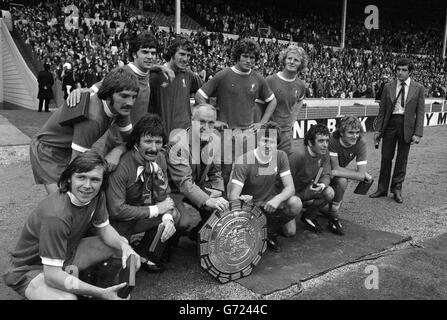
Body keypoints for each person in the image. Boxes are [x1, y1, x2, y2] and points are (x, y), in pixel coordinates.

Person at [3, 151, 141, 300]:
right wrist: (100, 293)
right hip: (31, 269)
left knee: (121, 246)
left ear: (102, 182)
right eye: (81, 177)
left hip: (65, 253)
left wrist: (126, 248)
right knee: (67, 299)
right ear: (69, 178)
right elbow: (52, 275)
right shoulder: (56, 215)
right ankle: (99, 292)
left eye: (95, 179)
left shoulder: (97, 196)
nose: (87, 186)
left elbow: (105, 229)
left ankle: (108, 289)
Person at [68, 32, 175, 170]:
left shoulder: (147, 71)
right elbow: (94, 91)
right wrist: (79, 91)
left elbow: (147, 67)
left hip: (133, 143)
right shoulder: (122, 74)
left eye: (153, 53)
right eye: (144, 52)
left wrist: (159, 67)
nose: (149, 57)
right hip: (116, 146)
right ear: (134, 54)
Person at [30, 67, 138, 195]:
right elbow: (79, 166)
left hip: (68, 147)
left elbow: (131, 139)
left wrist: (117, 150)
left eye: (133, 97)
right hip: (47, 149)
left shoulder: (121, 107)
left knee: (78, 196)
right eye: (124, 96)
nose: (130, 103)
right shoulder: (93, 118)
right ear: (109, 95)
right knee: (62, 200)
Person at [195, 38, 277, 186]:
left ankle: (243, 204)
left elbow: (272, 100)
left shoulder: (258, 78)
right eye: (245, 56)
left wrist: (262, 123)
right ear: (238, 56)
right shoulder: (224, 75)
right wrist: (213, 121)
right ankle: (224, 204)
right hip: (225, 133)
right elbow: (200, 95)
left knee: (246, 171)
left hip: (248, 134)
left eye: (252, 57)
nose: (248, 60)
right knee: (224, 173)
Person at [106, 114, 178, 272]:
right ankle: (123, 250)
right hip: (117, 222)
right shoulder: (122, 166)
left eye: (158, 142)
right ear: (137, 142)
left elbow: (164, 194)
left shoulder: (159, 159)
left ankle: (145, 253)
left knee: (173, 214)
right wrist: (156, 210)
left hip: (140, 213)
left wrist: (166, 218)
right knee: (115, 268)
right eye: (148, 141)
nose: (153, 148)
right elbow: (116, 210)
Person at [228, 122, 301, 253]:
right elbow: (232, 196)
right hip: (249, 207)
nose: (267, 145)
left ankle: (270, 231)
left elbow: (290, 188)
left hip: (269, 204)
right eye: (264, 140)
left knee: (295, 206)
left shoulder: (281, 156)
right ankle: (259, 230)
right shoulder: (244, 160)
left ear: (277, 144)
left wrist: (277, 199)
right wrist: (242, 200)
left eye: (272, 142)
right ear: (258, 141)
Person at [167, 104, 229, 241]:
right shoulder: (177, 143)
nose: (206, 127)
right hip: (174, 190)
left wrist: (217, 189)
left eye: (211, 123)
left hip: (196, 185)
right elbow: (184, 183)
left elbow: (216, 171)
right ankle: (168, 245)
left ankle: (197, 235)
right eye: (201, 121)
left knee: (220, 208)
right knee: (182, 221)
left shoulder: (216, 140)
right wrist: (207, 200)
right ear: (192, 120)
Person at [370, 58, 425, 203]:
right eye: (398, 69)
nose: (400, 72)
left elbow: (420, 113)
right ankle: (382, 189)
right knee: (386, 157)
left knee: (402, 159)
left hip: (407, 126)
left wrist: (418, 133)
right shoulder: (388, 86)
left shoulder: (418, 88)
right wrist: (378, 130)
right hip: (390, 124)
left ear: (410, 72)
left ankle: (397, 189)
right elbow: (382, 111)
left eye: (404, 70)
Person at [149, 35, 203, 137]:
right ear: (172, 53)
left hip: (185, 136)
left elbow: (205, 92)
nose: (185, 59)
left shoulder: (189, 75)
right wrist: (155, 67)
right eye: (181, 54)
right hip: (161, 137)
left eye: (188, 55)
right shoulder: (155, 75)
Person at [327, 116, 373, 235]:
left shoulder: (361, 141)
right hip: (320, 172)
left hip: (334, 173)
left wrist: (361, 174)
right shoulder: (333, 139)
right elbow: (334, 169)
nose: (355, 136)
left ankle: (333, 216)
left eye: (357, 132)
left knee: (342, 181)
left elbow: (338, 171)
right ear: (341, 132)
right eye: (351, 132)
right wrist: (358, 174)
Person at [289, 124, 336, 234]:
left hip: (305, 190)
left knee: (329, 192)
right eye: (321, 141)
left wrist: (321, 185)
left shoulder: (323, 153)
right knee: (290, 233)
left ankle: (308, 216)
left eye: (327, 141)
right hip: (290, 194)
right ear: (310, 142)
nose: (325, 145)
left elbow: (325, 173)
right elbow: (281, 181)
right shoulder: (298, 155)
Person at [265, 45, 307, 155]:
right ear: (284, 60)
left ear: (300, 64)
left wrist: (292, 120)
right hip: (268, 131)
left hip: (286, 133)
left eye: (296, 60)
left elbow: (299, 101)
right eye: (289, 58)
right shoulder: (270, 80)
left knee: (284, 166)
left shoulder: (301, 85)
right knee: (266, 168)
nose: (292, 62)